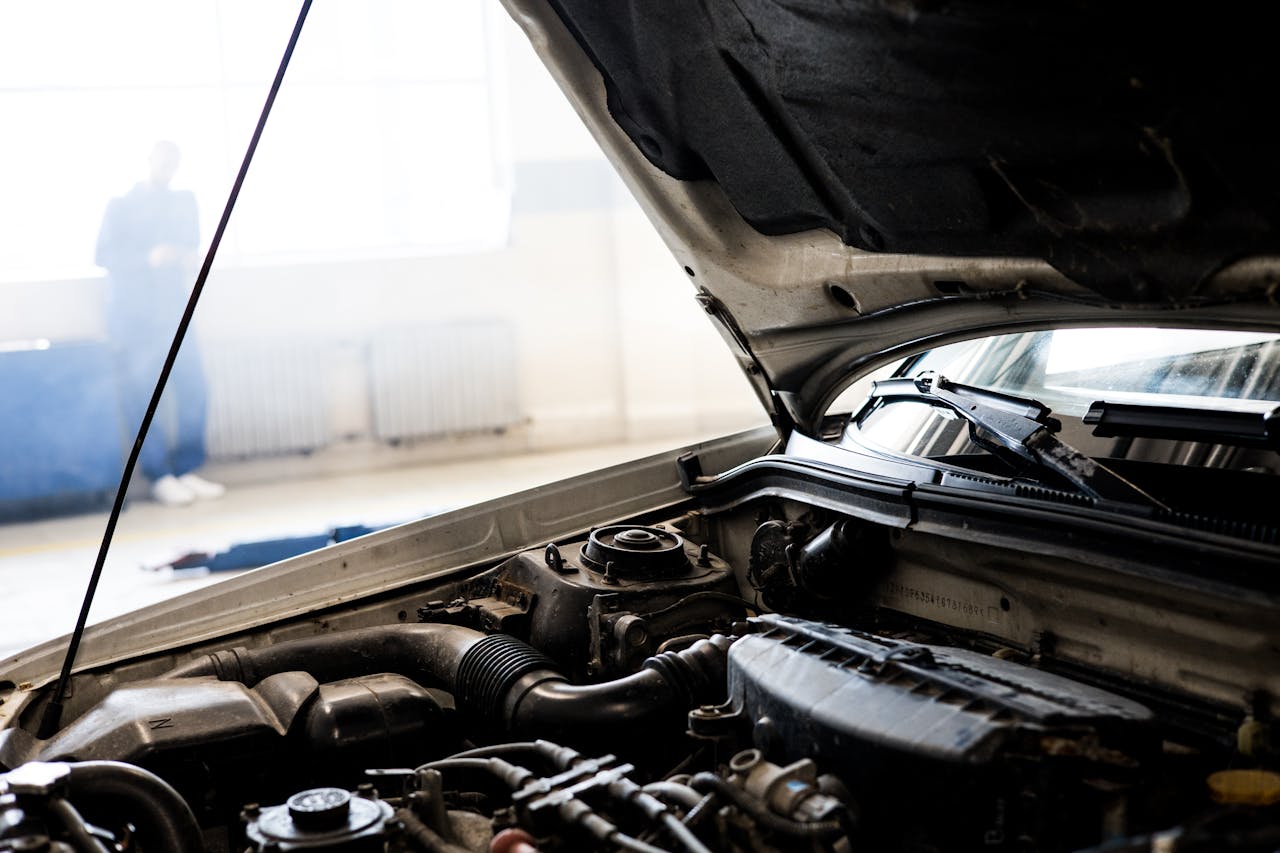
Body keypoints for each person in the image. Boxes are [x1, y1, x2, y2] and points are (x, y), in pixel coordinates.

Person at [95, 141, 225, 506]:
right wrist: (147, 258)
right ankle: (160, 475)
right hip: (134, 315)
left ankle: (186, 468)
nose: (168, 169)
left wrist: (185, 256)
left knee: (194, 386)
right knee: (142, 394)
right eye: (163, 161)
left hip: (174, 311)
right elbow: (103, 255)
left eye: (174, 163)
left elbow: (192, 244)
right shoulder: (121, 205)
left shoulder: (184, 201)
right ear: (149, 160)